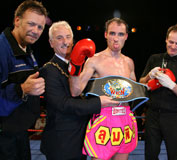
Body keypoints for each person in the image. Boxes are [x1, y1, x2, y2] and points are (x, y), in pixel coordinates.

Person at [39, 21, 118, 160]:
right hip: (61, 142)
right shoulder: (49, 70)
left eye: (68, 37)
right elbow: (63, 104)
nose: (65, 42)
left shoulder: (80, 65)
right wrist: (98, 103)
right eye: (59, 38)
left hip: (81, 138)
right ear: (51, 43)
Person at [69, 17, 138, 160]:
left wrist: (149, 78)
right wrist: (75, 66)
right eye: (112, 33)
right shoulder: (94, 60)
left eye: (120, 34)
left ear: (126, 36)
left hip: (125, 117)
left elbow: (135, 91)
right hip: (104, 117)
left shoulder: (129, 63)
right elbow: (75, 91)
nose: (116, 39)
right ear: (106, 34)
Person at [139, 24, 177, 160]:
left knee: (174, 156)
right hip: (152, 115)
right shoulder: (154, 59)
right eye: (171, 42)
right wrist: (148, 76)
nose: (173, 46)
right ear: (166, 40)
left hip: (174, 117)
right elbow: (140, 83)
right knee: (150, 155)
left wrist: (171, 85)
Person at [0, 1, 47, 159]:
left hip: (19, 132)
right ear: (17, 20)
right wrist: (22, 89)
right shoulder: (2, 49)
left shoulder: (26, 48)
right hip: (4, 137)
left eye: (40, 27)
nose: (35, 31)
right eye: (31, 24)